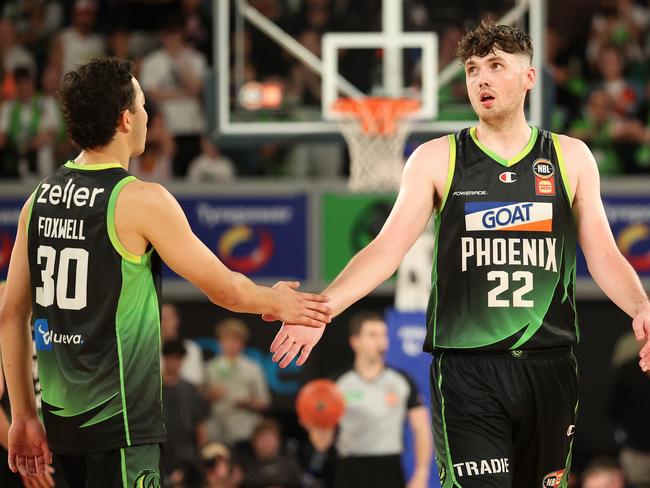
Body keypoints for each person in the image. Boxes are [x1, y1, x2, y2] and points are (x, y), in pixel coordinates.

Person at [269, 20, 650, 487]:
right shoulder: (437, 158)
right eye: (472, 69)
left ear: (528, 78)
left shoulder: (570, 157)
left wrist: (640, 307)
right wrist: (323, 308)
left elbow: (605, 254)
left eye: (495, 66)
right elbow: (387, 248)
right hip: (468, 371)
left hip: (549, 365)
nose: (481, 79)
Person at [0, 57, 330, 485]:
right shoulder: (140, 200)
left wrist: (23, 414)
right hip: (120, 426)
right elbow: (224, 289)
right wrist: (279, 300)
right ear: (125, 120)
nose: (147, 115)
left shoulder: (38, 199)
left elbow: (11, 315)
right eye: (142, 105)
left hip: (59, 428)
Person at [304, 311, 432, 488]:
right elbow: (322, 444)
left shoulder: (402, 381)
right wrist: (315, 424)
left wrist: (421, 474)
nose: (381, 341)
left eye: (383, 335)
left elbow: (422, 430)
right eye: (372, 335)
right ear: (355, 341)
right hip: (349, 469)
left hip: (389, 469)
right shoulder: (337, 384)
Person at [204, 319, 270, 447]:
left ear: (242, 343)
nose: (229, 344)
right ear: (219, 342)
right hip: (216, 431)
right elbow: (198, 400)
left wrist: (248, 402)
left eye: (234, 340)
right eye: (225, 339)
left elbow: (264, 402)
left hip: (244, 431)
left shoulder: (252, 368)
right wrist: (211, 396)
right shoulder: (210, 368)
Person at [161, 339, 208, 488]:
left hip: (186, 453)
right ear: (164, 358)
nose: (175, 362)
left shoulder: (190, 389)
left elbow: (199, 424)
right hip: (160, 451)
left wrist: (201, 452)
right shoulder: (153, 387)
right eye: (171, 357)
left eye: (178, 358)